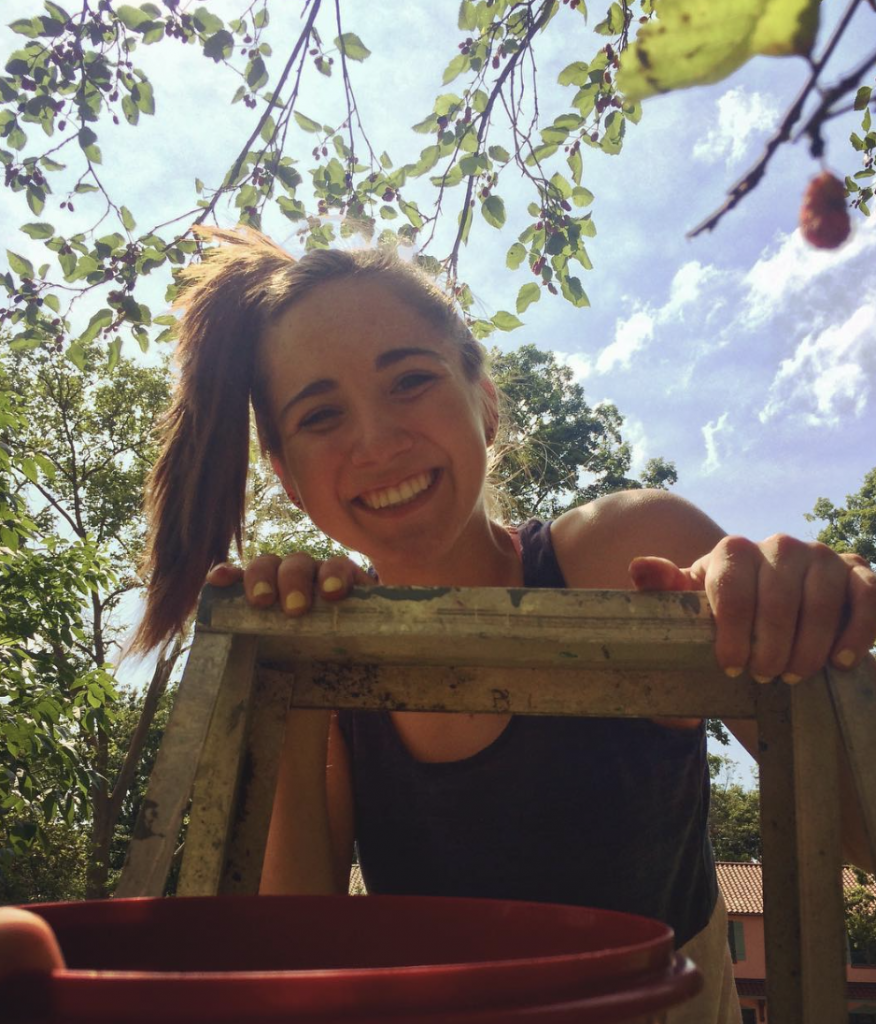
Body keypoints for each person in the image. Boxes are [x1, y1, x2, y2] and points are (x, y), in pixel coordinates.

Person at [133, 227, 876, 1024]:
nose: (377, 442)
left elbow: (859, 830)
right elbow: (295, 956)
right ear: (288, 478)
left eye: (410, 380)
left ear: (484, 401)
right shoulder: (325, 646)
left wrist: (802, 619)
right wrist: (290, 678)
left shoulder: (625, 554)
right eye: (320, 416)